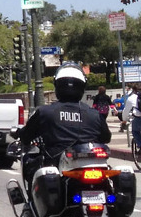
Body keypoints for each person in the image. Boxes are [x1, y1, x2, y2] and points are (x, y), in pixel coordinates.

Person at [18, 63, 111, 191]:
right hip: (87, 167)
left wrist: (19, 134)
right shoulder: (94, 114)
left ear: (57, 86)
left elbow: (26, 135)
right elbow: (106, 137)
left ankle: (31, 204)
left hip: (55, 164)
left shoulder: (45, 112)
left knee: (29, 161)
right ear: (82, 87)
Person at [122, 84, 141, 153]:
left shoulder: (131, 98)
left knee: (135, 131)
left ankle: (140, 145)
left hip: (138, 118)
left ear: (133, 90)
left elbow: (126, 111)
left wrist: (124, 120)